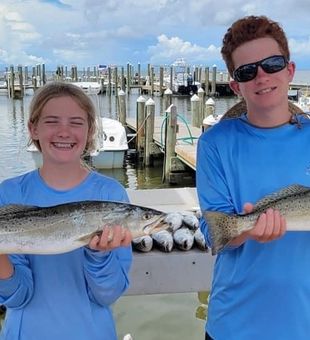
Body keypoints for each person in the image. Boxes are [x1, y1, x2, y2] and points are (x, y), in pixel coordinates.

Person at [196, 15, 310, 340]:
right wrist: (245, 229)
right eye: (247, 71)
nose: (261, 77)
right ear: (235, 85)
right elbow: (214, 232)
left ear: (289, 70)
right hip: (233, 325)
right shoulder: (215, 143)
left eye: (272, 64)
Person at [0, 81, 133, 340]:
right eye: (52, 121)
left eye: (76, 122)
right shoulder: (9, 193)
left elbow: (107, 294)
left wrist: (100, 256)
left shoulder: (111, 194)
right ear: (33, 128)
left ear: (90, 130)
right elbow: (18, 297)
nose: (64, 131)